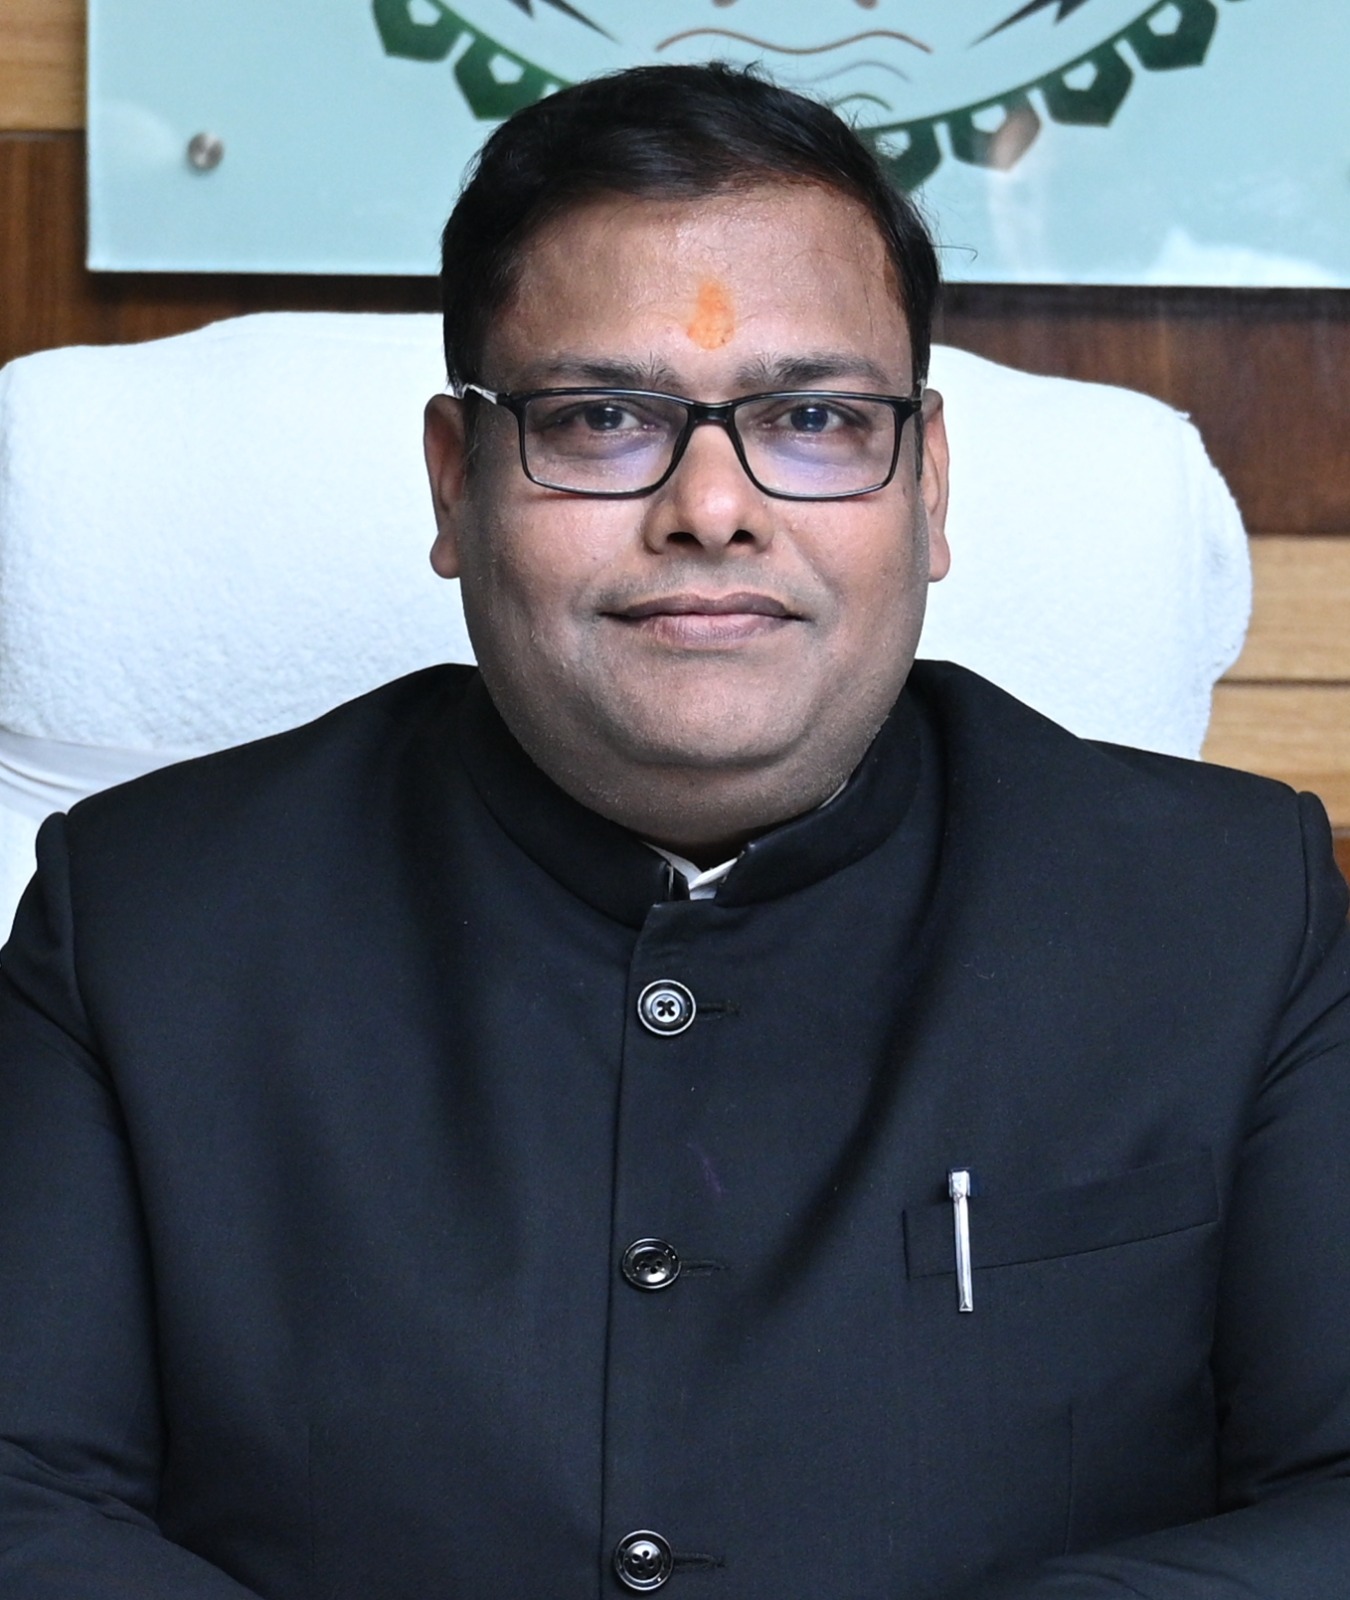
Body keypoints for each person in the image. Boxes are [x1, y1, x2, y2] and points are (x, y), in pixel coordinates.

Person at [1, 61, 1348, 1600]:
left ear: (927, 486)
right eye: (598, 418)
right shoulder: (145, 920)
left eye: (815, 417)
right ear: (455, 482)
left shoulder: (1226, 912)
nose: (711, 506)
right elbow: (23, 1494)